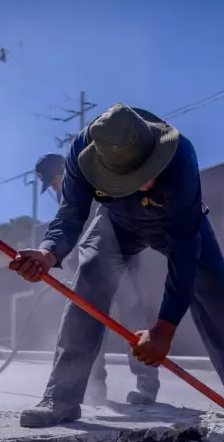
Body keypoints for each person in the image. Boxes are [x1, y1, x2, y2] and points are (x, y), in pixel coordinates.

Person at [10, 104, 224, 438]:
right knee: (89, 280)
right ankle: (61, 398)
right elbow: (71, 214)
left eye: (149, 171)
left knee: (215, 290)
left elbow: (184, 255)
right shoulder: (81, 153)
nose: (146, 182)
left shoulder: (180, 153)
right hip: (114, 220)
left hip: (175, 219)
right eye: (134, 177)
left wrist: (164, 328)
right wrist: (48, 252)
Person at [33, 153, 160, 405]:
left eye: (54, 180)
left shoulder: (91, 178)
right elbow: (71, 229)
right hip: (90, 265)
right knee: (89, 320)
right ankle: (95, 386)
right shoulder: (66, 195)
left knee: (132, 319)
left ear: (63, 169)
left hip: (121, 258)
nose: (55, 187)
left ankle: (147, 385)